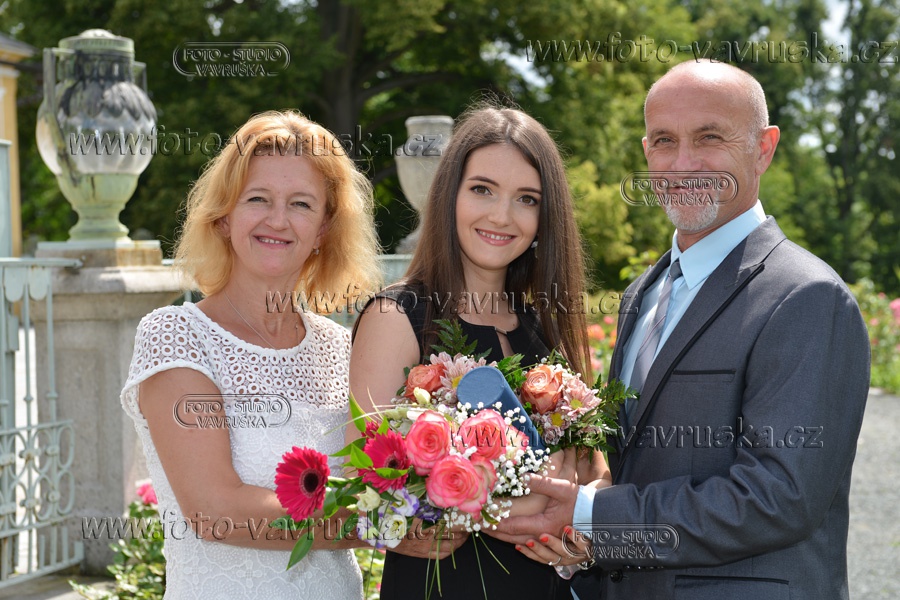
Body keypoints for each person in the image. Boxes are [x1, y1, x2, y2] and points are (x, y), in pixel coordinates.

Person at [493, 60, 871, 599]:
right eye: (665, 141)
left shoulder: (806, 297)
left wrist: (592, 514)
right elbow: (634, 468)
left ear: (763, 148)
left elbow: (779, 496)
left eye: (709, 137)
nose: (684, 163)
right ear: (647, 152)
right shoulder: (641, 296)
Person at [350, 105, 609, 599]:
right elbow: (366, 489)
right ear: (449, 194)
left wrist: (588, 526)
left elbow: (595, 472)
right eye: (482, 189)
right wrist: (511, 497)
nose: (501, 216)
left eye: (527, 199)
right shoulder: (397, 316)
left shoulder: (546, 326)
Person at [120, 110, 381, 599]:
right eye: (257, 198)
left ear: (324, 228)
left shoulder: (342, 347)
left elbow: (376, 479)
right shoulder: (177, 336)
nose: (277, 220)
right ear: (224, 217)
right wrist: (387, 523)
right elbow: (215, 512)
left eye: (301, 204)